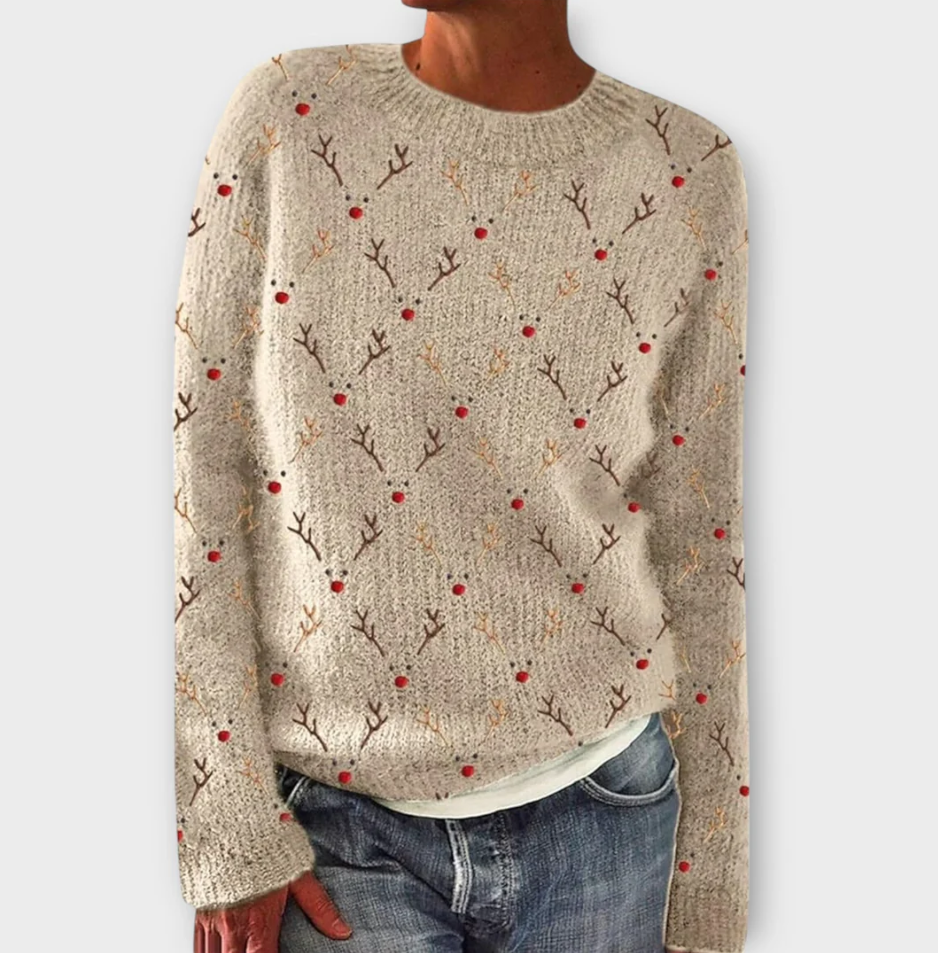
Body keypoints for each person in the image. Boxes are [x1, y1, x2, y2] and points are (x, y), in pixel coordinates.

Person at [171, 2, 750, 951]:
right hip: (338, 827)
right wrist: (228, 825)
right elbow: (206, 473)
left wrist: (711, 882)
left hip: (607, 816)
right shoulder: (291, 116)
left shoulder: (683, 169)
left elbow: (701, 527)